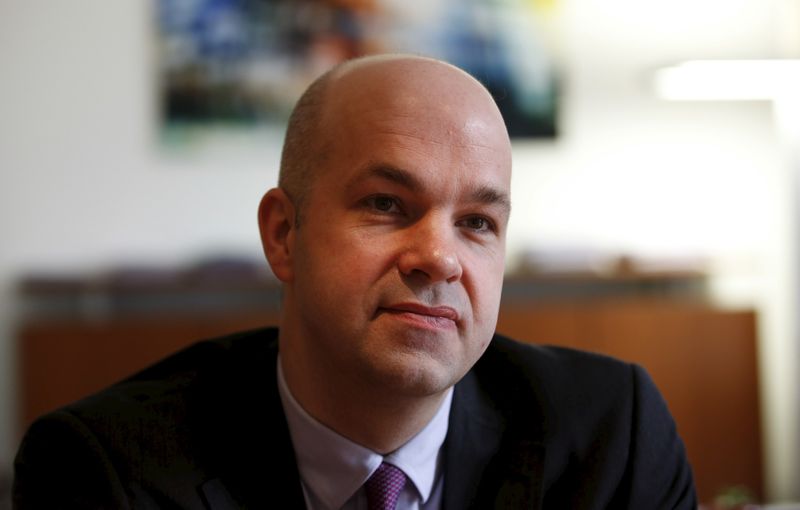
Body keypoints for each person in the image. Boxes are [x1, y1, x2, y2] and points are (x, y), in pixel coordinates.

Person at [13, 54, 696, 509]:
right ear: (284, 234)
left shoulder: (615, 435)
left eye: (478, 222)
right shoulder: (103, 470)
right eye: (385, 205)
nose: (440, 257)